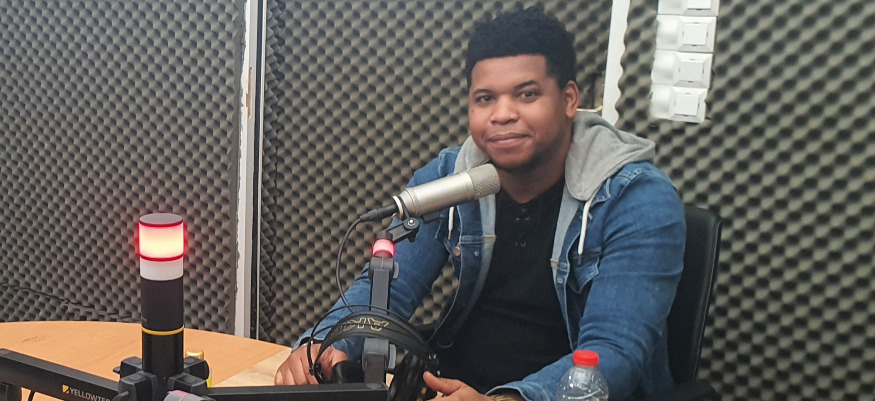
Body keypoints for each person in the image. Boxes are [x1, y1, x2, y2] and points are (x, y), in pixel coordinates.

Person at [275, 7, 685, 401]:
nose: (502, 114)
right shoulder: (451, 177)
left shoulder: (636, 199)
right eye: (485, 98)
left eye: (526, 94)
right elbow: (388, 288)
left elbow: (614, 351)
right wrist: (322, 344)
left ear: (569, 99)